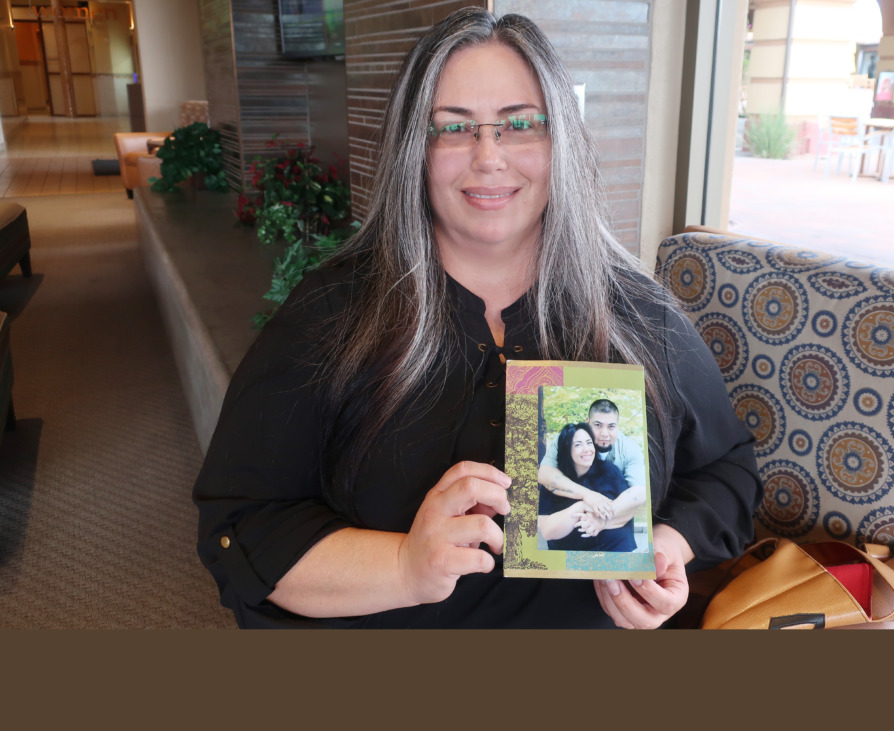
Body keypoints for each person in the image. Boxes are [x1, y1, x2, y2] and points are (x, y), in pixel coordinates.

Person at [192, 7, 763, 630]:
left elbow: (727, 471)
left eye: (520, 124)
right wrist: (405, 566)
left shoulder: (635, 313)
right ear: (414, 148)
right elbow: (241, 528)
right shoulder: (333, 317)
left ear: (561, 141)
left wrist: (666, 549)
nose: (489, 157)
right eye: (453, 129)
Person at [538, 399, 646, 528]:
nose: (604, 433)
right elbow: (544, 474)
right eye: (598, 425)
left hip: (613, 522)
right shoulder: (567, 438)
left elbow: (639, 492)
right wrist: (589, 495)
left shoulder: (630, 450)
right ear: (588, 422)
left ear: (617, 425)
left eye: (611, 426)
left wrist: (600, 519)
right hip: (566, 516)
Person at [537, 423, 637, 552]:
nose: (587, 449)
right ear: (567, 449)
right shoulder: (554, 481)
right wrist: (582, 506)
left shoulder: (610, 472)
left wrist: (600, 523)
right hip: (568, 560)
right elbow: (547, 532)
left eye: (589, 443)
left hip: (615, 553)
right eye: (578, 444)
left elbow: (629, 511)